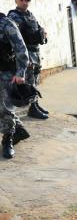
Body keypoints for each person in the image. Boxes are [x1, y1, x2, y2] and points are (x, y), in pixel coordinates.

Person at [8, 0, 48, 120]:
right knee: (30, 81)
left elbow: (38, 30)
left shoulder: (30, 15)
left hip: (35, 52)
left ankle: (35, 104)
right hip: (27, 54)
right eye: (21, 0)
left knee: (35, 79)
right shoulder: (14, 16)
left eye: (26, 0)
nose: (24, 3)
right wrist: (23, 59)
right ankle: (32, 108)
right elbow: (17, 40)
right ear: (16, 1)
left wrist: (43, 35)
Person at [0, 12, 30, 159]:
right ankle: (18, 129)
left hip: (5, 73)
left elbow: (21, 48)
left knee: (5, 108)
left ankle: (7, 140)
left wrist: (20, 72)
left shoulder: (6, 23)